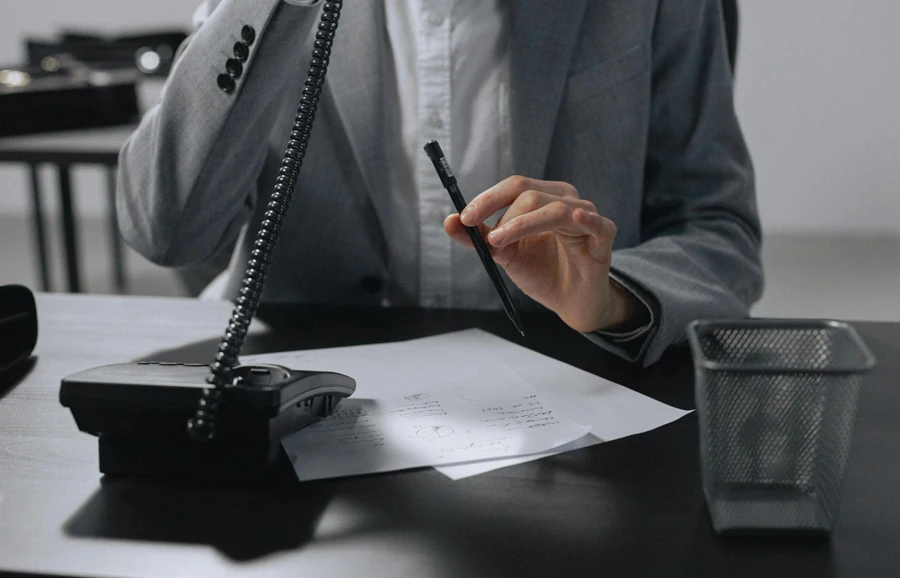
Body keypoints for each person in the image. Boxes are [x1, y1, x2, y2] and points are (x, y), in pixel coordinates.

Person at [117, 0, 763, 366]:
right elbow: (164, 229)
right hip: (308, 408)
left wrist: (614, 300)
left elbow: (719, 231)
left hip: (566, 407)